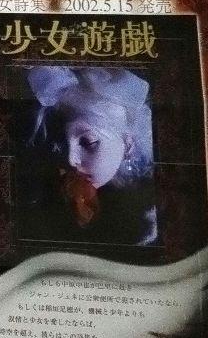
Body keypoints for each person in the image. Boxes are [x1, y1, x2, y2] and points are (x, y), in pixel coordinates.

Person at [21, 66, 159, 248]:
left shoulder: (149, 205)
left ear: (128, 144)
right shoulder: (46, 191)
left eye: (88, 142)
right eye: (63, 142)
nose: (71, 159)